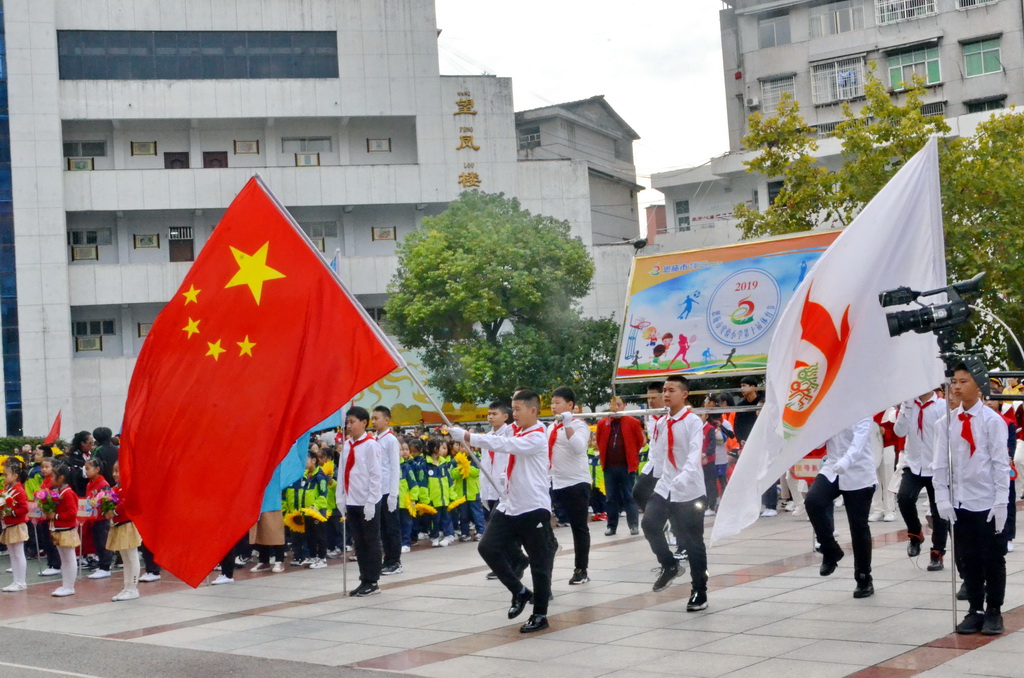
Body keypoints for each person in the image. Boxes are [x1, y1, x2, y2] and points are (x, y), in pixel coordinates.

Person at [449, 388, 558, 633]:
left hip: (532, 508)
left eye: (517, 409)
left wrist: (468, 435)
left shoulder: (538, 435)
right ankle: (519, 592)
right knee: (487, 547)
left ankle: (540, 614)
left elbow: (505, 444)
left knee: (540, 565)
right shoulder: (517, 430)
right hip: (509, 504)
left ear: (533, 410)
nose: (513, 414)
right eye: (512, 408)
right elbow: (499, 437)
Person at [934, 366, 1011, 635]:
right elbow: (940, 465)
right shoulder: (945, 422)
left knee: (992, 558)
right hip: (961, 501)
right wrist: (942, 497)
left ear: (977, 386)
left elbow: (1000, 464)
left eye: (963, 381)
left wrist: (1001, 502)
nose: (956, 387)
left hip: (988, 501)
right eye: (953, 382)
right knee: (968, 558)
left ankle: (994, 610)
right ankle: (975, 608)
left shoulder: (992, 421)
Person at [641, 375, 708, 610]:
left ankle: (699, 590)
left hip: (689, 489)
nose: (666, 394)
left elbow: (694, 453)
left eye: (671, 390)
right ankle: (669, 565)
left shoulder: (692, 422)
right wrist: (651, 477)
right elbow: (657, 455)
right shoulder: (661, 423)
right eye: (664, 390)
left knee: (693, 542)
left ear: (684, 394)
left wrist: (684, 477)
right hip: (665, 486)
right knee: (649, 524)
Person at [806, 418, 877, 599]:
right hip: (832, 467)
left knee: (858, 525)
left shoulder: (861, 409)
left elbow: (859, 442)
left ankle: (863, 578)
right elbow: (820, 440)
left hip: (858, 470)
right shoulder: (831, 408)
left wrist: (846, 461)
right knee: (814, 501)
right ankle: (830, 551)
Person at [894, 389, 947, 570]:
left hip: (936, 466)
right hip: (914, 464)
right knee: (904, 498)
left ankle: (937, 552)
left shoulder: (941, 405)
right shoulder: (908, 405)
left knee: (938, 510)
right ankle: (915, 534)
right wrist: (906, 407)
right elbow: (899, 431)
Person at [548, 386, 593, 585]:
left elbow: (578, 447)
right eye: (552, 403)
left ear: (570, 405)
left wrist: (568, 425)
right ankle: (552, 544)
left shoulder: (580, 425)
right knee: (539, 520)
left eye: (557, 403)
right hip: (554, 482)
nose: (553, 406)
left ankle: (581, 569)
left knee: (579, 527)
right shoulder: (551, 427)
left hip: (576, 482)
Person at [338, 406, 384, 597]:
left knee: (371, 541)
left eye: (352, 422)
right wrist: (341, 498)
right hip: (352, 500)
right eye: (347, 422)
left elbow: (376, 475)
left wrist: (372, 502)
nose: (349, 426)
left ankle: (372, 581)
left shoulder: (371, 445)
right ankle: (363, 578)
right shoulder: (347, 445)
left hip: (367, 501)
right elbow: (342, 473)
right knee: (359, 542)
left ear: (364, 423)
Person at [596, 397, 644, 536]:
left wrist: (631, 454)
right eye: (613, 405)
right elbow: (599, 442)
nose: (615, 408)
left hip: (627, 466)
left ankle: (633, 525)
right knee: (610, 497)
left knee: (629, 496)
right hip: (609, 467)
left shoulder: (633, 422)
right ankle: (612, 526)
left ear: (624, 405)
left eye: (618, 405)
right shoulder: (602, 423)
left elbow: (640, 441)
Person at [733, 377, 774, 516]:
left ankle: (771, 505)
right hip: (748, 444)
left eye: (744, 385)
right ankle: (758, 504)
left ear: (754, 387)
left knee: (766, 472)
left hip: (765, 442)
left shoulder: (763, 402)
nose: (742, 389)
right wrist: (741, 440)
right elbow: (737, 426)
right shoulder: (741, 405)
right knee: (751, 475)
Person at [105, 461, 143, 601]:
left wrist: (113, 511)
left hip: (128, 524)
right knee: (125, 557)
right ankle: (127, 587)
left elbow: (126, 503)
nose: (115, 474)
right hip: (118, 524)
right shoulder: (115, 488)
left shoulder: (129, 487)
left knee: (132, 556)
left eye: (118, 471)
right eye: (114, 471)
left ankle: (133, 588)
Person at [372, 406, 403, 576]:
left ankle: (395, 561)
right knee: (382, 527)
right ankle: (387, 559)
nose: (374, 421)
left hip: (388, 490)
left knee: (392, 527)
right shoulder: (375, 439)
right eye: (373, 418)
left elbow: (394, 468)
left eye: (377, 418)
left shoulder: (390, 440)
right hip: (377, 490)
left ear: (386, 419)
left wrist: (393, 493)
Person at [48, 463, 81, 597]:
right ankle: (65, 584)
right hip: (59, 528)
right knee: (64, 559)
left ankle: (69, 586)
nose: (51, 478)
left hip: (67, 529)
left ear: (61, 478)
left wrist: (55, 516)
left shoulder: (68, 493)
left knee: (69, 558)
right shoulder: (59, 492)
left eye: (53, 476)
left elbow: (72, 513)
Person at [1, 458, 29, 592]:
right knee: (12, 554)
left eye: (6, 475)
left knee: (18, 553)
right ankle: (15, 580)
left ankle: (21, 581)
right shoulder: (7, 489)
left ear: (15, 476)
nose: (4, 477)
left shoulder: (19, 490)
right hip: (9, 524)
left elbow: (24, 508)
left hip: (17, 524)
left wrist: (9, 512)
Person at [84, 458, 114, 580]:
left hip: (101, 518)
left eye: (88, 469)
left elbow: (108, 501)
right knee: (97, 543)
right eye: (85, 469)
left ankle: (105, 567)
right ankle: (102, 565)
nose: (86, 471)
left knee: (103, 542)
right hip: (93, 518)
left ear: (97, 469)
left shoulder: (104, 484)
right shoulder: (89, 483)